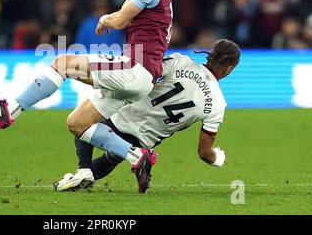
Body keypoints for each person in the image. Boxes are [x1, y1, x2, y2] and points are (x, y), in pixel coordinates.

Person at [0, 0, 183, 192]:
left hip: (135, 67)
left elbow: (119, 20)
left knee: (63, 62)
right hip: (144, 76)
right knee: (77, 123)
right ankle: (138, 157)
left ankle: (10, 111)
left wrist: (104, 18)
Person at [54, 39, 241, 193]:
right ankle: (90, 171)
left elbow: (148, 73)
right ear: (229, 69)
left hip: (120, 116)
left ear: (209, 55)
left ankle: (84, 168)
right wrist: (218, 158)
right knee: (112, 157)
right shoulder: (217, 104)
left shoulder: (180, 61)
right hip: (143, 139)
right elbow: (204, 153)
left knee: (83, 121)